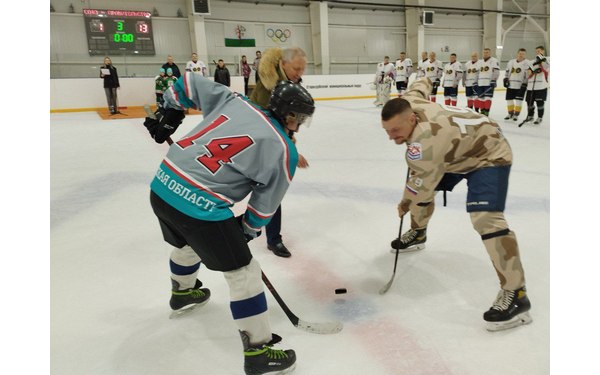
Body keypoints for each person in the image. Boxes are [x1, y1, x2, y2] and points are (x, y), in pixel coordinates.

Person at [143, 73, 315, 374]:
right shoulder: (284, 150)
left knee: (191, 242)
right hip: (198, 207)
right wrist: (246, 231)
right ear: (289, 116)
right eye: (300, 118)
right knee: (245, 273)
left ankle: (182, 292)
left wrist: (169, 113)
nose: (300, 124)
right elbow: (264, 207)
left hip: (162, 185)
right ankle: (260, 352)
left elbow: (187, 83)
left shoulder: (236, 101)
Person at [381, 77, 531, 332]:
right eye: (387, 131)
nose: (392, 138)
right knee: (417, 179)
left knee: (485, 218)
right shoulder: (410, 102)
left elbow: (422, 187)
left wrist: (407, 200)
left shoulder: (424, 144)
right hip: (455, 150)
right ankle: (419, 232)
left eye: (396, 131)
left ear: (411, 119)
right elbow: (421, 83)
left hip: (488, 153)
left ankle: (516, 294)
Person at [249, 47, 309, 258]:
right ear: (283, 64)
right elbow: (272, 125)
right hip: (256, 142)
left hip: (271, 142)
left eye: (302, 69)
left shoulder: (291, 85)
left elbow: (288, 123)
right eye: (296, 68)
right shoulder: (270, 88)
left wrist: (290, 147)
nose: (299, 73)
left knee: (271, 192)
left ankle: (273, 239)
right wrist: (290, 151)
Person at [523, 46, 550, 125]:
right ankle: (530, 116)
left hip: (541, 86)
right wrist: (533, 71)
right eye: (536, 51)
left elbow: (546, 67)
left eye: (539, 51)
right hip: (531, 86)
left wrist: (541, 61)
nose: (537, 52)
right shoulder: (532, 62)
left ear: (543, 51)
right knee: (529, 102)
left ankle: (540, 117)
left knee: (540, 103)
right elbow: (528, 72)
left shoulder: (547, 59)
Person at [503, 48, 529, 121]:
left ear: (525, 55)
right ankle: (510, 113)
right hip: (511, 85)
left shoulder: (527, 63)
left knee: (518, 101)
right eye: (520, 53)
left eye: (523, 54)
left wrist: (525, 83)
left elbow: (528, 75)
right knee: (509, 100)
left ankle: (516, 115)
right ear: (517, 54)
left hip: (521, 86)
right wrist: (506, 79)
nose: (521, 55)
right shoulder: (511, 62)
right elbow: (507, 72)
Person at [475, 48, 500, 116]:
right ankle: (482, 112)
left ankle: (486, 112)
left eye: (487, 52)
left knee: (487, 98)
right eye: (484, 52)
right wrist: (475, 82)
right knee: (481, 98)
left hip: (489, 83)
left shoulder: (494, 61)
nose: (485, 53)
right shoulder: (480, 62)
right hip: (480, 83)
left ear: (490, 53)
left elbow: (496, 72)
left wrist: (493, 80)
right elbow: (477, 73)